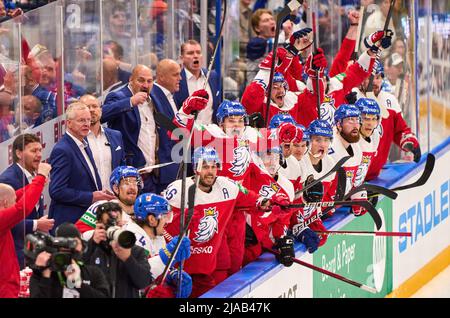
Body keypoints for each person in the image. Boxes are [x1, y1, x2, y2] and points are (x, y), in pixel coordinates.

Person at [163, 147, 262, 297]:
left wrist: (266, 202)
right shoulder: (178, 190)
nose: (210, 171)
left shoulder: (227, 187)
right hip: (178, 272)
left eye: (213, 166)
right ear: (196, 168)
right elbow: (159, 225)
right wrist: (174, 240)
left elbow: (253, 200)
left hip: (205, 272)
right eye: (205, 166)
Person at [49, 102, 115, 230]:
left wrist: (99, 192)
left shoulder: (83, 143)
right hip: (70, 223)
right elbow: (57, 191)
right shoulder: (63, 150)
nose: (86, 124)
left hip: (86, 219)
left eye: (88, 120)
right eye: (81, 120)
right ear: (69, 123)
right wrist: (91, 196)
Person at [354, 62, 421, 180]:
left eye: (378, 77)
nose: (374, 81)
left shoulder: (389, 100)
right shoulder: (352, 97)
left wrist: (410, 142)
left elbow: (399, 130)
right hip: (352, 173)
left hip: (375, 174)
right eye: (369, 77)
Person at [0, 134, 54, 269]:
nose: (39, 155)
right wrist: (36, 224)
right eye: (33, 151)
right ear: (19, 153)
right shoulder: (8, 180)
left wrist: (38, 181)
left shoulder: (35, 177)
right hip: (15, 253)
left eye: (40, 150)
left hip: (32, 249)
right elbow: (15, 215)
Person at [124, 193, 192, 298]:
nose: (167, 222)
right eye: (165, 216)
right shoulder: (130, 238)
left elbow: (157, 270)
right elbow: (136, 276)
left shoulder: (158, 237)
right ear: (152, 220)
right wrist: (166, 256)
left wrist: (171, 275)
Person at [101, 64, 157, 192]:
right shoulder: (118, 96)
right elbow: (102, 114)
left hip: (151, 174)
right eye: (141, 80)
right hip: (129, 175)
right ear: (131, 80)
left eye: (149, 81)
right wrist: (131, 102)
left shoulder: (153, 99)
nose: (145, 85)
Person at [0, 162, 50, 298]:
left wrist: (37, 184)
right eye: (12, 203)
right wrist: (40, 176)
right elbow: (22, 208)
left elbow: (15, 195)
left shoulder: (3, 203)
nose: (14, 204)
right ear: (5, 204)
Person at [83, 201, 152, 298]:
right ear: (98, 224)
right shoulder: (89, 249)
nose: (114, 228)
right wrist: (92, 243)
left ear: (123, 223)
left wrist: (128, 259)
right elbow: (73, 279)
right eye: (109, 224)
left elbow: (144, 283)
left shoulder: (136, 251)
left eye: (117, 224)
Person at [29, 223, 110, 298]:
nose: (69, 248)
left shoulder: (93, 272)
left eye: (74, 243)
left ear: (82, 246)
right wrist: (45, 277)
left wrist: (79, 284)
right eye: (63, 244)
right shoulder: (44, 273)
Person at [75, 165, 143, 238]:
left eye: (135, 183)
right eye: (126, 183)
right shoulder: (102, 206)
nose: (132, 187)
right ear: (116, 188)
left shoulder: (144, 211)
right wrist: (106, 233)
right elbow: (78, 234)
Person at [150, 59, 182, 193]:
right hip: (164, 169)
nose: (180, 78)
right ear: (161, 77)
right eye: (175, 75)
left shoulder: (170, 95)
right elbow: (168, 131)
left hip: (175, 165)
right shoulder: (154, 96)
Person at [328, 104, 367, 216]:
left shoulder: (356, 147)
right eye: (350, 120)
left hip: (334, 208)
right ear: (339, 125)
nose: (355, 125)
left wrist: (357, 195)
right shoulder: (329, 148)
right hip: (317, 212)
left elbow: (353, 181)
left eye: (357, 120)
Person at [81, 94, 125, 191]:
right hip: (88, 202)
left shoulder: (116, 136)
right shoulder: (76, 139)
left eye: (95, 106)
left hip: (113, 200)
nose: (92, 110)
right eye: (87, 107)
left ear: (101, 110)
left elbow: (121, 168)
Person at [174, 39, 220, 125]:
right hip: (187, 134)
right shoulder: (177, 79)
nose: (195, 56)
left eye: (198, 52)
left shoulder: (212, 76)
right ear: (182, 58)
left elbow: (216, 107)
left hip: (210, 133)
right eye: (190, 53)